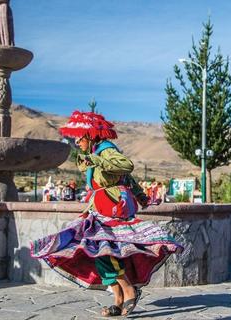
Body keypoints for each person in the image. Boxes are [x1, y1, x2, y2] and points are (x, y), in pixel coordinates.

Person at [31, 111, 182, 317]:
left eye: (79, 137)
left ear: (90, 135)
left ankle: (128, 290)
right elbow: (126, 177)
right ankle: (118, 300)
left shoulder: (105, 150)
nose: (76, 141)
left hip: (112, 205)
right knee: (101, 249)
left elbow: (126, 166)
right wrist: (140, 195)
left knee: (103, 249)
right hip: (101, 205)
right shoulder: (97, 153)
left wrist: (97, 159)